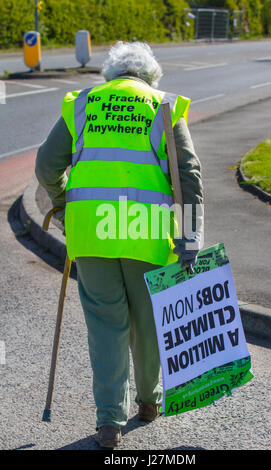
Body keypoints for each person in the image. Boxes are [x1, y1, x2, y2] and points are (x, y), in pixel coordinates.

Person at [35, 41, 204, 448]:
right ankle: (148, 403)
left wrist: (61, 204)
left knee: (106, 325)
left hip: (91, 234)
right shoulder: (162, 105)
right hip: (147, 235)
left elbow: (46, 166)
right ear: (151, 76)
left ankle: (109, 422)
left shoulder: (84, 104)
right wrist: (190, 239)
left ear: (110, 75)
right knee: (148, 324)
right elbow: (189, 177)